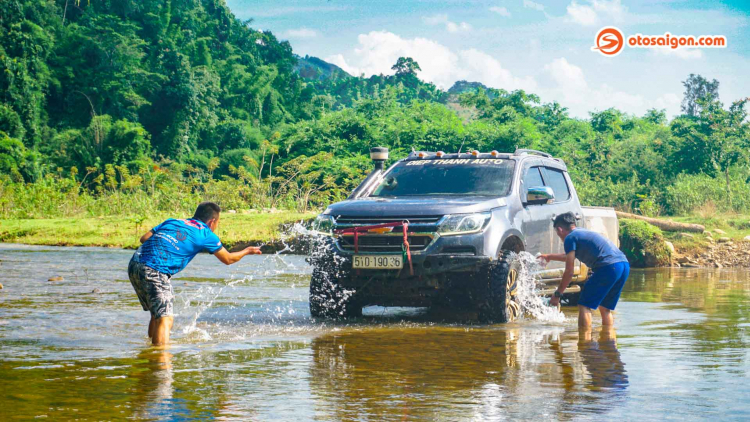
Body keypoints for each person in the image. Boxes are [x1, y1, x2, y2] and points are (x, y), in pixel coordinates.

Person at [128, 202, 261, 346]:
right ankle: (160, 363)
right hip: (155, 270)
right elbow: (228, 259)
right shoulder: (206, 234)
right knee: (165, 319)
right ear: (212, 221)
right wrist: (247, 251)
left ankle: (150, 352)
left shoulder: (173, 221)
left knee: (157, 314)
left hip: (135, 263)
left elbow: (144, 238)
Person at [539, 212, 630, 329]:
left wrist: (557, 294)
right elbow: (570, 256)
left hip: (608, 267)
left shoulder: (570, 238)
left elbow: (569, 271)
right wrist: (549, 257)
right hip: (623, 265)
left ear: (560, 229)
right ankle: (608, 343)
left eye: (557, 233)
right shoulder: (581, 233)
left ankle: (585, 344)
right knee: (605, 308)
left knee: (584, 305)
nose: (559, 237)